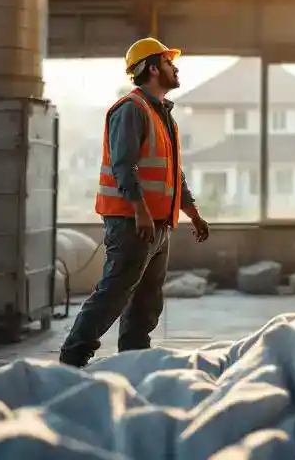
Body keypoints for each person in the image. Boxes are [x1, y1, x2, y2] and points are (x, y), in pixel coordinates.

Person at [59, 37, 211, 368]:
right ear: (153, 69)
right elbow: (124, 165)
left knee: (146, 301)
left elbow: (173, 173)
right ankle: (72, 360)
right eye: (169, 63)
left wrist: (193, 213)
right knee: (114, 294)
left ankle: (133, 361)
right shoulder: (132, 109)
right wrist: (140, 211)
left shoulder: (163, 115)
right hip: (132, 223)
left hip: (157, 224)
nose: (175, 68)